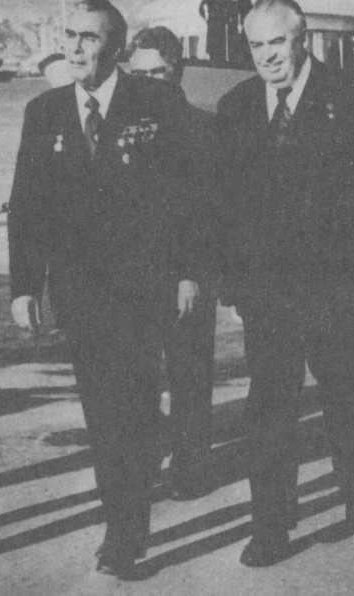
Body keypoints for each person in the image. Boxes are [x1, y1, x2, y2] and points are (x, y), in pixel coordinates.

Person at [8, 0, 203, 577]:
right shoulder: (44, 111)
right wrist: (24, 286)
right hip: (80, 293)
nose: (74, 48)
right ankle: (120, 521)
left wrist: (189, 271)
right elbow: (27, 206)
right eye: (69, 35)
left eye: (89, 38)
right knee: (102, 415)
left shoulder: (158, 102)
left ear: (115, 47)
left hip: (145, 288)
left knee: (136, 410)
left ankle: (126, 534)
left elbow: (190, 196)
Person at [217, 0, 354, 567]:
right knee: (269, 406)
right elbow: (223, 204)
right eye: (257, 46)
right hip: (266, 289)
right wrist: (230, 283)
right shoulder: (236, 105)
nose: (268, 56)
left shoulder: (351, 96)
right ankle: (272, 524)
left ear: (303, 40)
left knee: (345, 392)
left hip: (334, 281)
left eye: (277, 42)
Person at [127, 26, 221, 500]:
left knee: (190, 372)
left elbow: (208, 212)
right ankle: (143, 464)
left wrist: (191, 274)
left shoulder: (203, 128)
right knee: (137, 373)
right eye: (139, 74)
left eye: (158, 72)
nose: (148, 82)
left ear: (177, 71)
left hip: (188, 274)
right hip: (134, 275)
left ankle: (191, 466)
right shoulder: (120, 130)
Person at [199, 0, 231, 65]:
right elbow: (228, 8)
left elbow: (200, 8)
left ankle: (212, 57)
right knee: (220, 38)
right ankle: (220, 59)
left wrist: (205, 17)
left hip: (212, 20)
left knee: (212, 38)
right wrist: (226, 19)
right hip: (221, 20)